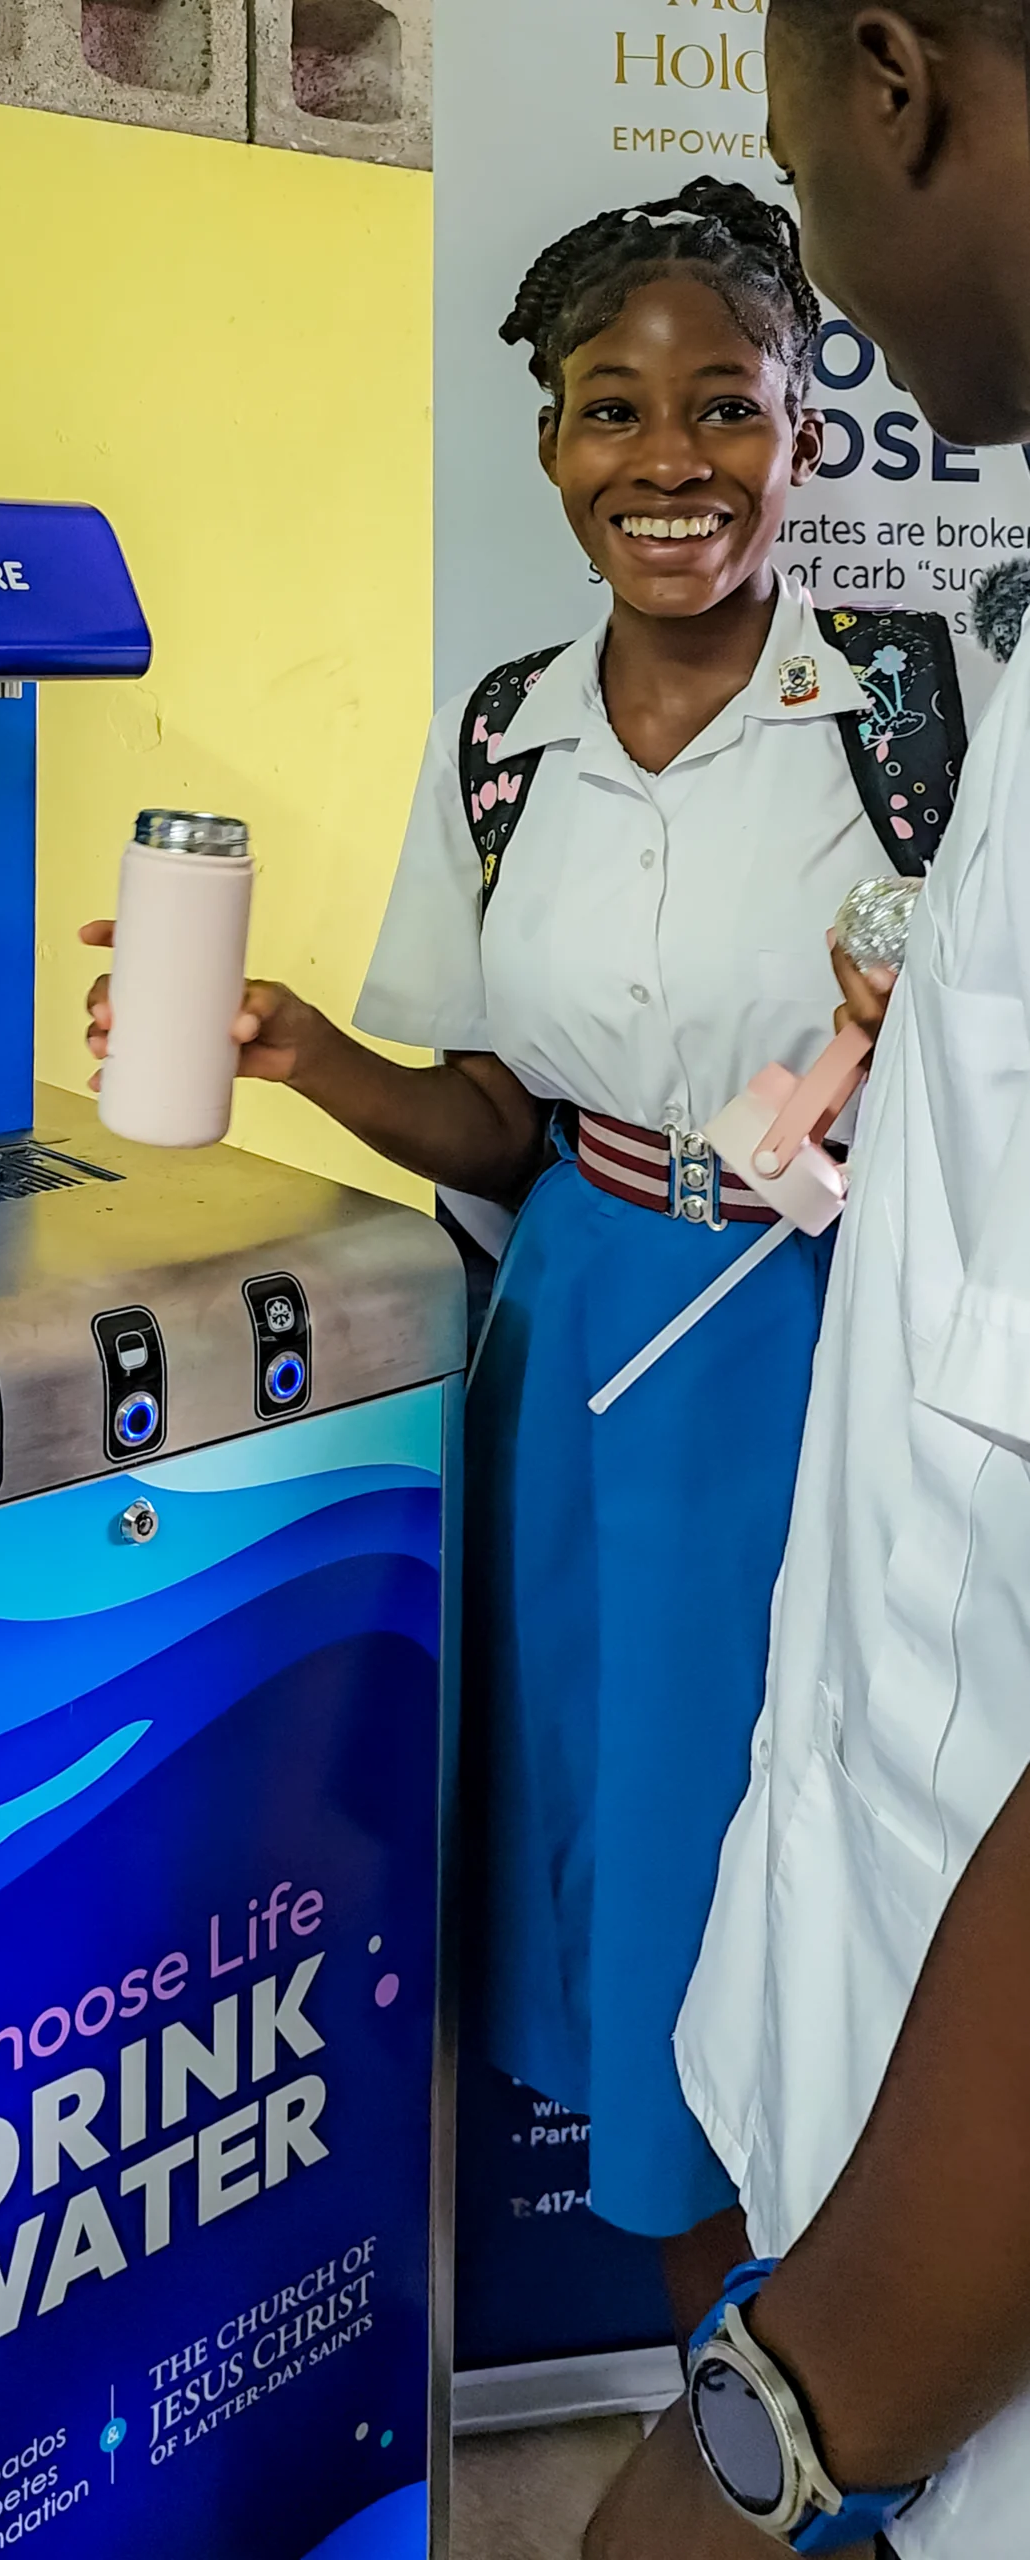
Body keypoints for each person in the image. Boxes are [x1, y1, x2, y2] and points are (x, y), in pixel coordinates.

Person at [83, 178, 961, 2341]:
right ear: (552, 444)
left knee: (832, 1832)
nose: (670, 461)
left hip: (828, 1340)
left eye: (727, 409)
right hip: (577, 1327)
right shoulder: (504, 740)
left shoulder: (914, 722)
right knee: (609, 1843)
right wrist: (297, 1054)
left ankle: (831, 2356)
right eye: (610, 411)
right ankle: (736, 2354)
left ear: (804, 433)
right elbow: (495, 1120)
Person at [584, 5, 1030, 2557]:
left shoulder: (879, 709)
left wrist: (778, 2426)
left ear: (898, 80)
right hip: (889, 2116)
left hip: (928, 2322)